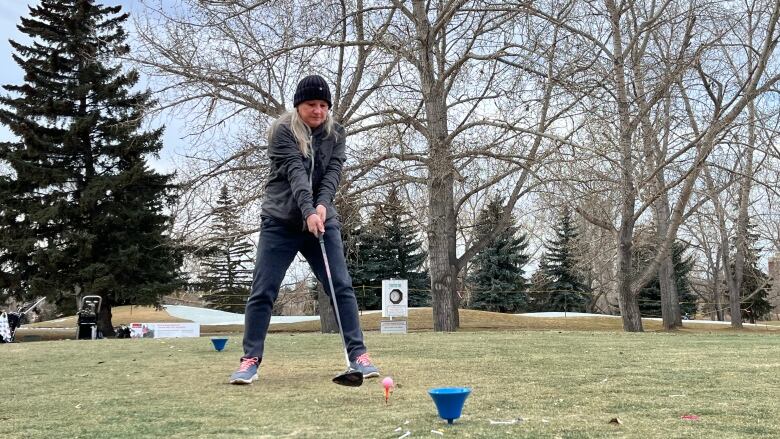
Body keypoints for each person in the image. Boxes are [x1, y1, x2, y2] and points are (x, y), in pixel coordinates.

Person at [229, 74, 379, 385]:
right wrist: (308, 210)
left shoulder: (335, 133)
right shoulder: (282, 131)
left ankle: (359, 355)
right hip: (280, 222)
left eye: (324, 105)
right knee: (263, 291)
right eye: (312, 104)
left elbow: (332, 174)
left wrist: (321, 207)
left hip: (322, 221)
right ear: (299, 105)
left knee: (341, 286)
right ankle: (250, 360)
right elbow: (297, 172)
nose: (319, 111)